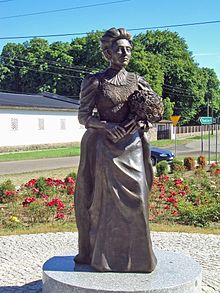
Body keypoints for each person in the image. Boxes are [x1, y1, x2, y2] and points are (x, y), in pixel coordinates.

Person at [74, 27, 163, 272]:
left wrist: (142, 122)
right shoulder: (95, 81)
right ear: (107, 53)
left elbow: (153, 112)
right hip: (106, 149)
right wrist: (105, 125)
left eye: (128, 49)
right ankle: (104, 259)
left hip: (132, 147)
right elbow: (83, 117)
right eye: (119, 49)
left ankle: (140, 260)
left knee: (138, 201)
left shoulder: (138, 81)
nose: (125, 53)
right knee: (107, 207)